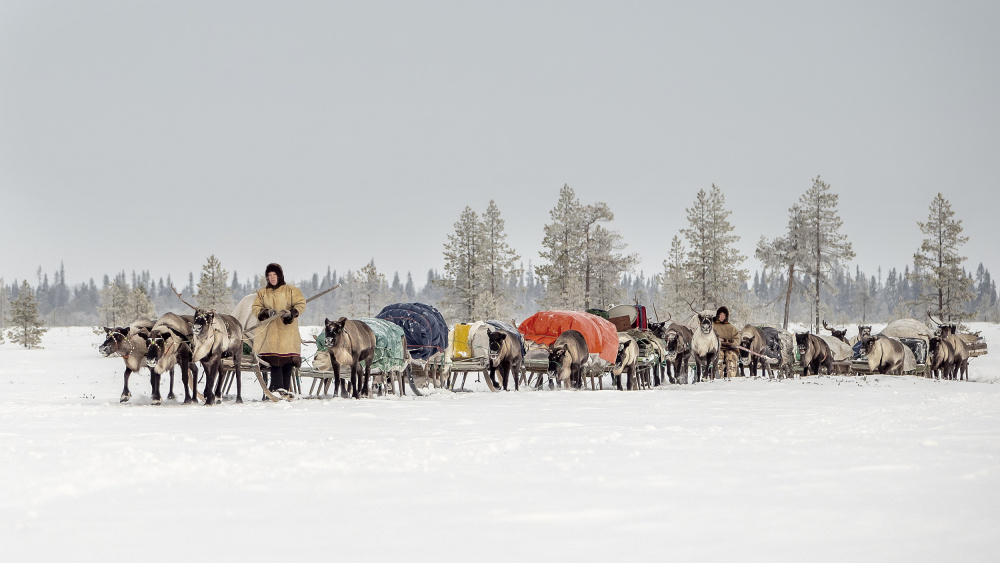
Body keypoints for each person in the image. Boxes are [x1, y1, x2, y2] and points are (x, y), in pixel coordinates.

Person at [252, 263, 306, 395]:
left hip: (288, 333)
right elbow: (255, 308)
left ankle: (284, 390)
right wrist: (265, 312)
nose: (272, 277)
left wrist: (291, 313)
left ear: (280, 275)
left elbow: (301, 304)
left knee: (287, 362)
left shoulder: (291, 291)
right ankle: (276, 389)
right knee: (274, 361)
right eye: (269, 275)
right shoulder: (263, 293)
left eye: (274, 274)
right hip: (270, 334)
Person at [713, 306, 740, 378]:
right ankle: (718, 377)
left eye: (724, 315)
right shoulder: (713, 326)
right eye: (720, 315)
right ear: (717, 315)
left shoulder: (731, 328)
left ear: (726, 316)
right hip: (717, 348)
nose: (722, 317)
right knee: (719, 356)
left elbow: (737, 339)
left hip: (730, 348)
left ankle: (731, 377)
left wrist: (731, 342)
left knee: (731, 356)